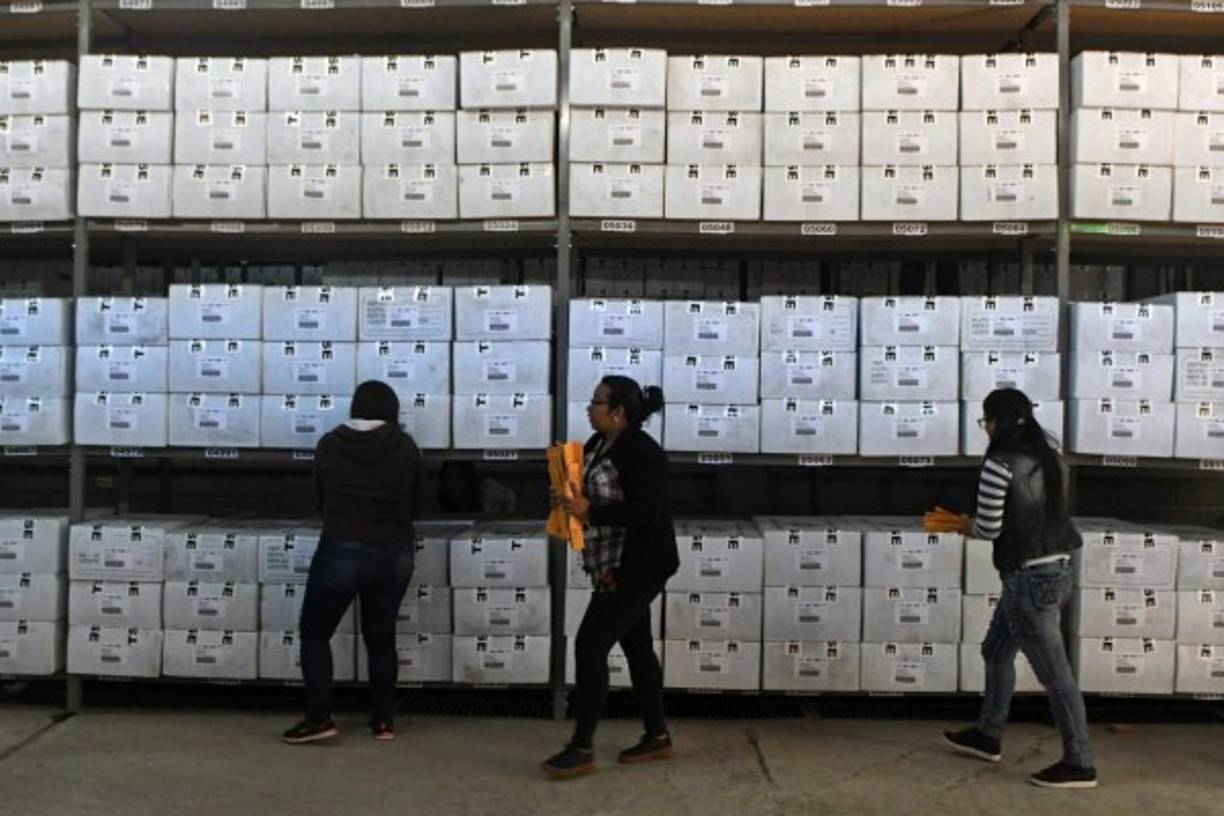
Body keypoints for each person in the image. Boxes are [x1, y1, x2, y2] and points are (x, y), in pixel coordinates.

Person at [939, 388, 1098, 789]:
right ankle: (988, 734)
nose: (986, 429)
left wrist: (962, 524)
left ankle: (1079, 762)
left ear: (998, 422)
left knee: (1055, 675)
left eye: (986, 421)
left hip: (1028, 578)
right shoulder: (1051, 457)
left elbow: (989, 527)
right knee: (996, 649)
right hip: (1057, 569)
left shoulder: (999, 463)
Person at [542, 376, 679, 779]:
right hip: (609, 561)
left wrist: (590, 512)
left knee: (590, 645)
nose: (590, 408)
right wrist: (566, 500)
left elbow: (645, 513)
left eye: (597, 402)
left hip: (639, 565)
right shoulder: (597, 444)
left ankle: (581, 747)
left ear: (618, 412)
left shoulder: (644, 452)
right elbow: (585, 491)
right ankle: (657, 736)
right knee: (637, 647)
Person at [282, 380, 424, 745]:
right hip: (395, 551)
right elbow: (418, 500)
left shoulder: (329, 444)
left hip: (342, 548)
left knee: (315, 633)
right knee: (381, 637)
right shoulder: (406, 447)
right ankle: (383, 721)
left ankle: (319, 719)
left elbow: (319, 497)